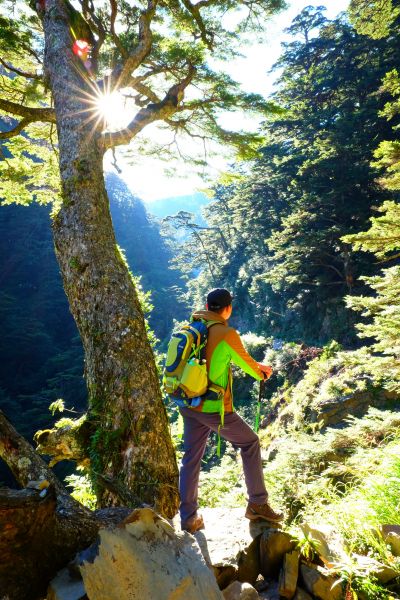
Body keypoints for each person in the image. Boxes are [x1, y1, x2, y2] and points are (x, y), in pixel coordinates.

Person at [179, 287, 284, 534]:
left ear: (207, 305)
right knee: (250, 443)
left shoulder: (193, 329)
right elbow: (248, 366)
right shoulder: (226, 333)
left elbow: (225, 359)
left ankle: (188, 517)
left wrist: (255, 366)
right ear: (228, 308)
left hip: (188, 402)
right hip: (213, 407)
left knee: (191, 458)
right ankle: (258, 503)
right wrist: (262, 371)